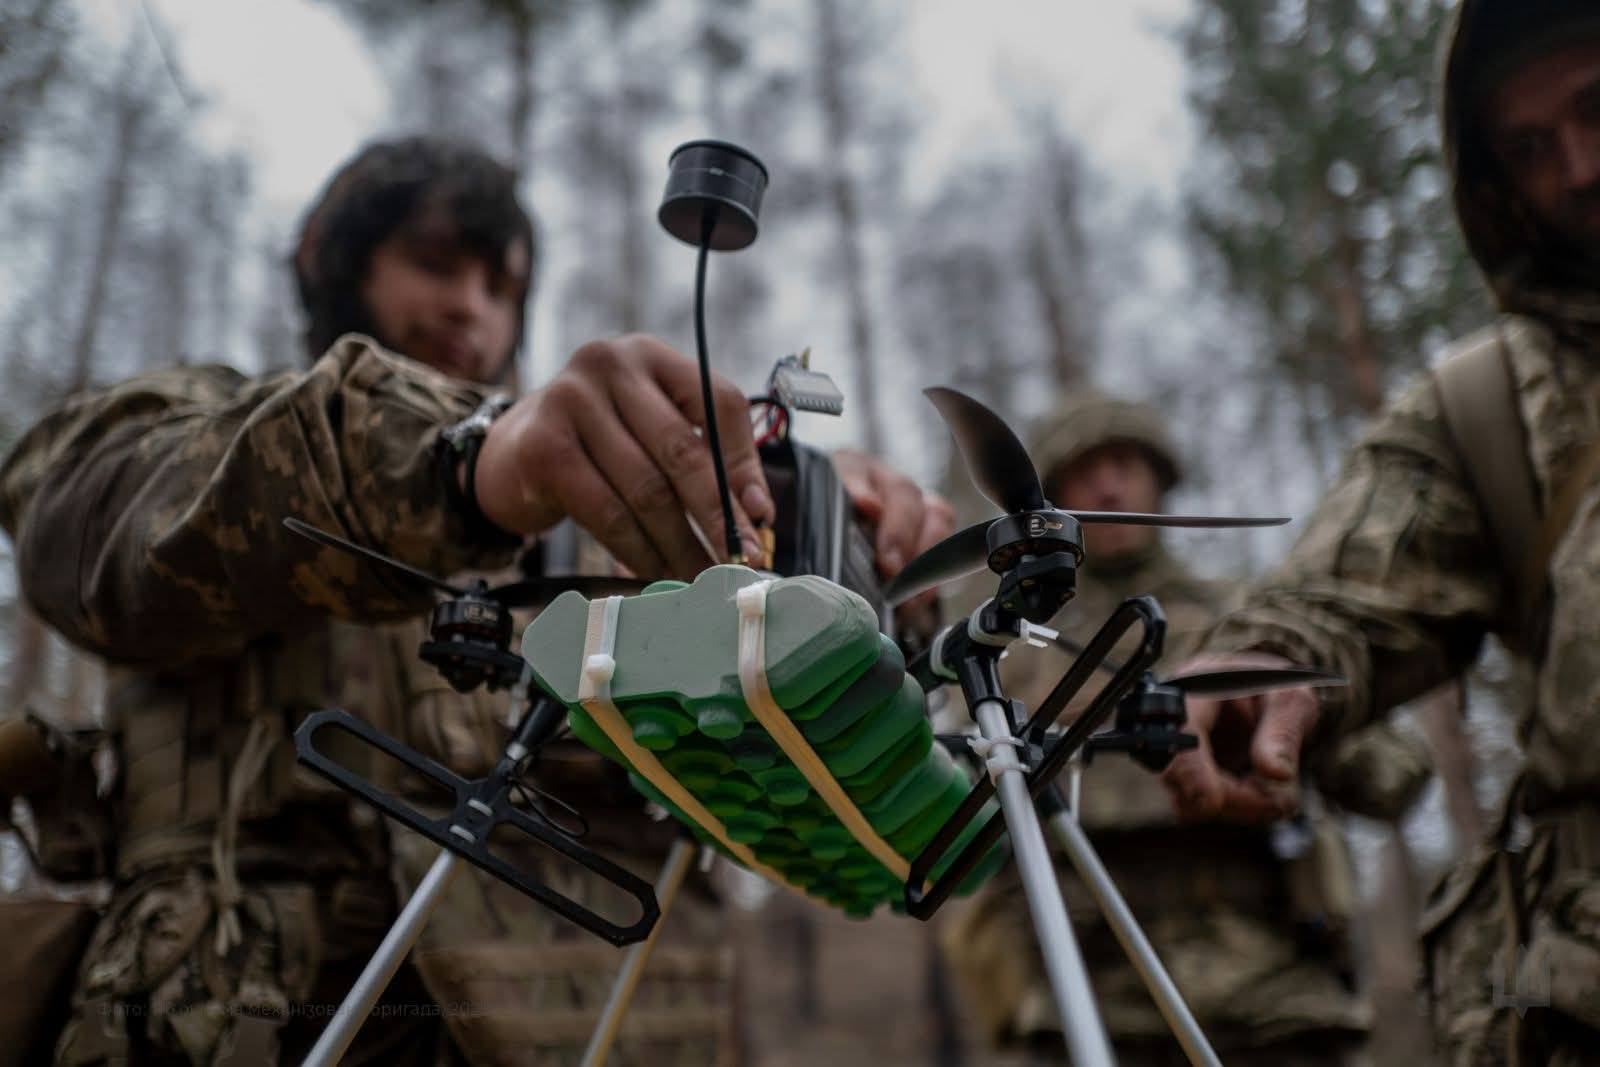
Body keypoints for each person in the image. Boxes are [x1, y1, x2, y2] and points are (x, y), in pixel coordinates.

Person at [0, 136, 950, 1064]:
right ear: (327, 259)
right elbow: (84, 538)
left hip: (587, 1015)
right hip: (247, 1010)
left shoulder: (595, 527)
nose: (471, 307)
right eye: (434, 264)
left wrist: (839, 567)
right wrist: (465, 461)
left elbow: (735, 755)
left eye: (501, 287)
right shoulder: (186, 421)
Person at [1160, 3, 1600, 1064]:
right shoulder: (1491, 409)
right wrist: (1268, 664)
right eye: (1530, 148)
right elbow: (1343, 591)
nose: (1580, 169)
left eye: (1597, 109)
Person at [942, 392, 1431, 1065]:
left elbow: (1391, 777)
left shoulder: (1253, 622)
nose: (1108, 484)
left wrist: (1308, 730)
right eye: (1085, 472)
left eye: (1123, 463)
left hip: (1275, 986)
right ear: (1056, 497)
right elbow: (956, 813)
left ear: (1159, 478)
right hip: (1088, 992)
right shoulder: (1009, 648)